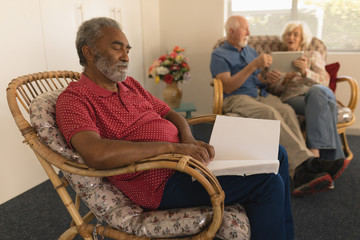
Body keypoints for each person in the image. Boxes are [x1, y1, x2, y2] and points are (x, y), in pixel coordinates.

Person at [56, 17, 294, 239]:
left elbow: (169, 113)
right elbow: (96, 153)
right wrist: (173, 148)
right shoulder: (74, 100)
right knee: (267, 183)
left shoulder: (129, 85)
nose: (126, 56)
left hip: (185, 160)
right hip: (160, 182)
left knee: (277, 152)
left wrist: (188, 139)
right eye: (117, 48)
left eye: (127, 49)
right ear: (89, 52)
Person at [210, 15, 346, 196]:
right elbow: (228, 85)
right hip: (237, 97)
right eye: (245, 29)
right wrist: (253, 66)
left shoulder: (250, 50)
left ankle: (306, 164)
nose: (249, 33)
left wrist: (267, 79)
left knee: (287, 110)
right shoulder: (219, 54)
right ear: (232, 31)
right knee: (270, 112)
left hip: (259, 94)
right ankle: (303, 167)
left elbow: (258, 80)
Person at [266, 21, 348, 185]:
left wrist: (305, 72)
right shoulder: (279, 59)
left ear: (302, 38)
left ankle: (314, 156)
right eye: (289, 34)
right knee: (325, 107)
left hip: (319, 94)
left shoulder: (312, 55)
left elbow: (325, 80)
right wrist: (283, 80)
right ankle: (329, 161)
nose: (291, 37)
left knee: (317, 92)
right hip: (294, 98)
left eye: (296, 34)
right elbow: (272, 89)